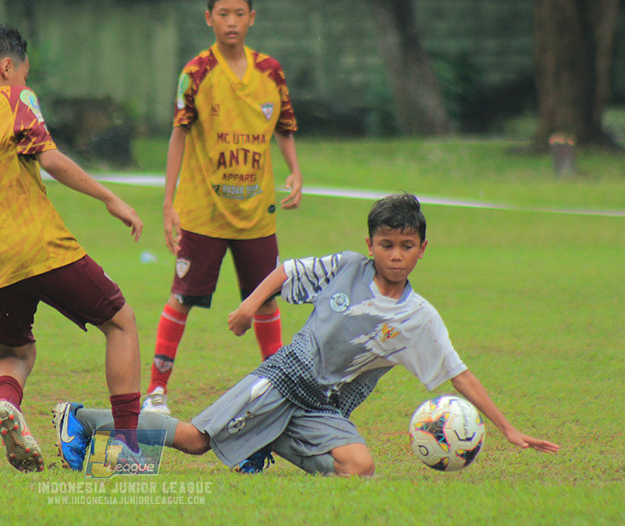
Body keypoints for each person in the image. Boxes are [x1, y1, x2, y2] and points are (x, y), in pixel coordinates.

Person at [53, 194, 559, 476]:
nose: (396, 255)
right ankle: (80, 421)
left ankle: (260, 444)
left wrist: (509, 428)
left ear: (423, 248)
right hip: (282, 381)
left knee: (358, 468)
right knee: (194, 441)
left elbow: (458, 374)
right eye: (387, 245)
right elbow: (284, 273)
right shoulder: (345, 268)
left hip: (323, 410)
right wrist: (249, 307)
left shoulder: (419, 318)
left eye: (407, 246)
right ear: (371, 245)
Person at [0, 24, 144, 473]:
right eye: (22, 73)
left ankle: (8, 406)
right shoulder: (15, 98)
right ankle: (127, 451)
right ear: (7, 68)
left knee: (16, 356)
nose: (23, 81)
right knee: (121, 323)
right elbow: (51, 158)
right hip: (38, 245)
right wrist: (110, 198)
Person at [144, 0, 303, 415]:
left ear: (252, 18)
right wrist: (168, 200)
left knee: (266, 297)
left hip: (256, 214)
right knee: (181, 297)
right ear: (208, 18)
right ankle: (157, 390)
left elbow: (285, 127)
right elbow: (178, 135)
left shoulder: (270, 72)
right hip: (204, 213)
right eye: (223, 14)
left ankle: (278, 385)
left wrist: (294, 170)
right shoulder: (196, 72)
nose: (231, 22)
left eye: (239, 14)